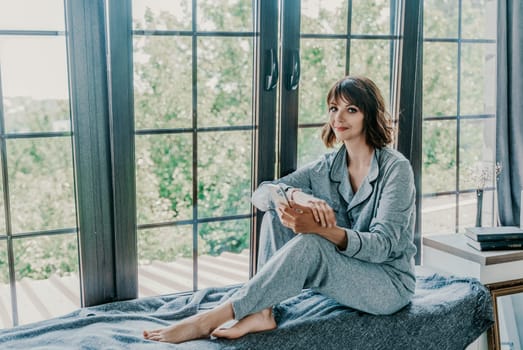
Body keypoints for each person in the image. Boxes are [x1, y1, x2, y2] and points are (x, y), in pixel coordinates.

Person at [143, 75, 417, 343]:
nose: (339, 118)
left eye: (351, 110)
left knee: (313, 242)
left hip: (388, 283)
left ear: (369, 115)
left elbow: (383, 245)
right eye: (334, 108)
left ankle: (211, 318)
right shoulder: (327, 167)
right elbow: (263, 194)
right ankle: (262, 312)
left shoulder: (396, 168)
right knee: (278, 211)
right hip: (349, 273)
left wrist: (324, 231)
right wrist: (300, 196)